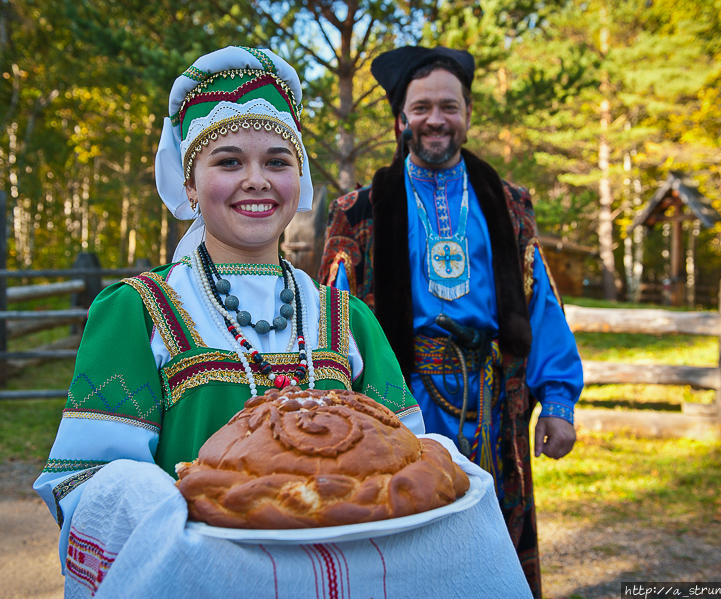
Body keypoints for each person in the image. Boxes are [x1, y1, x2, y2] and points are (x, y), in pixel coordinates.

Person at [33, 46, 425, 594]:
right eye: (228, 161)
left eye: (277, 161)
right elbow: (88, 481)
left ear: (299, 178)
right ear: (190, 184)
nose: (256, 179)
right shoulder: (138, 310)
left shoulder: (347, 318)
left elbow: (407, 460)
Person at [318, 45, 583, 597]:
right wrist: (333, 406)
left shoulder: (508, 204)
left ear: (466, 115)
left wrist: (558, 401)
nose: (435, 119)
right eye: (421, 108)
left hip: (492, 402)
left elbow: (542, 304)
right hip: (399, 404)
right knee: (406, 542)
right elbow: (332, 317)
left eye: (449, 106)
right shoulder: (359, 210)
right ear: (400, 119)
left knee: (491, 544)